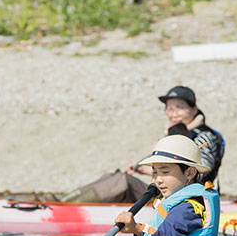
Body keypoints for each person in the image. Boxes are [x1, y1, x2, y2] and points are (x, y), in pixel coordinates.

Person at [71, 135, 220, 236]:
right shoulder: (186, 203)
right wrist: (136, 229)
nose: (158, 180)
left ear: (190, 172)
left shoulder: (187, 209)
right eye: (155, 173)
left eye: (165, 171)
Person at [61, 85, 225, 203]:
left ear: (194, 110)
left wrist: (146, 171)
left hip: (190, 198)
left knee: (123, 182)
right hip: (170, 191)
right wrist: (139, 166)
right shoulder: (174, 134)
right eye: (169, 108)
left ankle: (63, 207)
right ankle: (66, 200)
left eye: (180, 107)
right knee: (113, 177)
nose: (173, 113)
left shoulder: (205, 136)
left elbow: (203, 171)